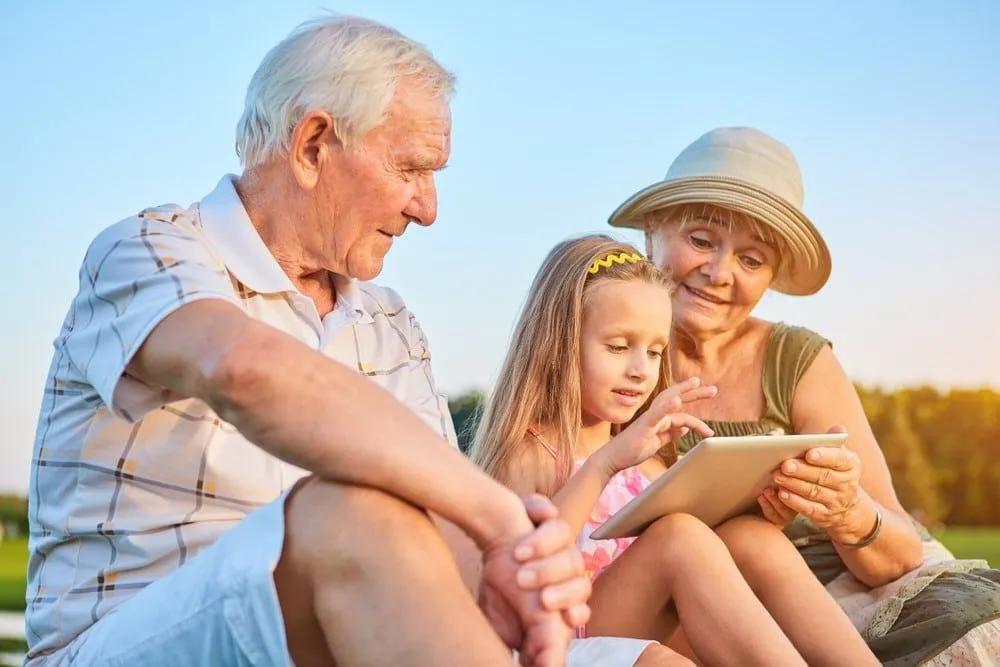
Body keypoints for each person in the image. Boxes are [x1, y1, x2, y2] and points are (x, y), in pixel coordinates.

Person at [25, 16, 592, 666]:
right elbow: (244, 369)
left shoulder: (390, 323)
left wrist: (527, 566)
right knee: (350, 514)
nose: (427, 207)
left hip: (314, 634)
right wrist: (499, 516)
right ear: (313, 145)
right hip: (119, 643)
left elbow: (447, 522)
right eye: (411, 169)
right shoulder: (150, 250)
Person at [608, 126, 1000, 665]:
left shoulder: (797, 360)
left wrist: (847, 512)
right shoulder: (603, 355)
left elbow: (899, 555)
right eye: (700, 239)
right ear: (653, 231)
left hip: (825, 594)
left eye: (751, 260)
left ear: (770, 276)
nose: (719, 273)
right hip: (678, 605)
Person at [470, 235, 877, 666]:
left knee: (749, 537)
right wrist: (604, 465)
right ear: (558, 341)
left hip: (647, 616)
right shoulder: (531, 453)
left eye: (653, 351)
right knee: (678, 538)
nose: (639, 370)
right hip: (566, 631)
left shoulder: (644, 458)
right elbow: (525, 575)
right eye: (618, 347)